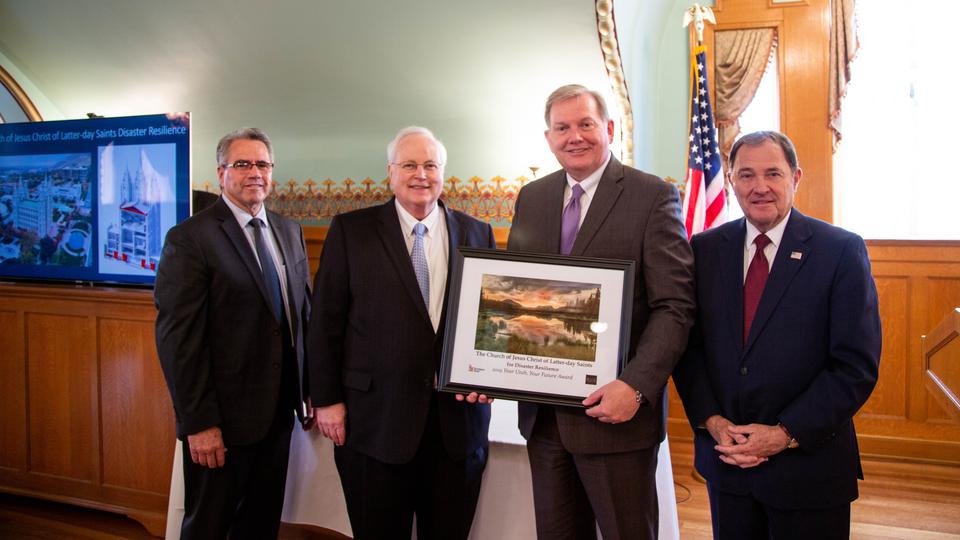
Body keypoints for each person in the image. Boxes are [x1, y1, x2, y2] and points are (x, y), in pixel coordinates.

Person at [508, 84, 695, 539]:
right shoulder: (532, 197)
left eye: (586, 124)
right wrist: (486, 368)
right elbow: (518, 289)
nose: (574, 136)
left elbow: (674, 306)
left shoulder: (652, 195)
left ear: (609, 128)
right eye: (562, 128)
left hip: (617, 418)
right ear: (549, 138)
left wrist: (636, 385)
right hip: (544, 420)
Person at [673, 130, 881, 539]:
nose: (760, 187)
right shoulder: (705, 248)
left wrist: (784, 434)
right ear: (731, 181)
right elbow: (690, 348)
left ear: (795, 177)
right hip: (728, 463)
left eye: (773, 173)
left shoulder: (839, 250)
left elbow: (854, 366)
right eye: (746, 175)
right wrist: (712, 420)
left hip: (808, 468)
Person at [307, 126, 495, 539]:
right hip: (375, 424)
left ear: (443, 172)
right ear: (390, 172)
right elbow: (325, 322)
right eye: (409, 165)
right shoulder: (351, 231)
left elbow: (489, 322)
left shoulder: (477, 233)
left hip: (456, 428)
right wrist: (327, 400)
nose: (420, 175)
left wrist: (490, 376)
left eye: (430, 165)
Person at [155, 127, 313, 539]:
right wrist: (199, 423)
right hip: (221, 423)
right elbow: (179, 341)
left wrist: (310, 386)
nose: (254, 173)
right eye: (242, 164)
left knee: (260, 525)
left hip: (278, 415)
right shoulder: (190, 239)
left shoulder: (289, 231)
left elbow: (303, 316)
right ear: (221, 172)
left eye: (262, 164)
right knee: (209, 526)